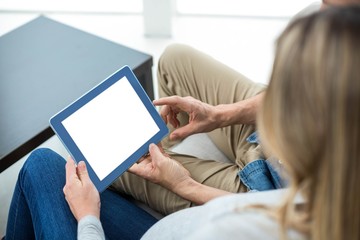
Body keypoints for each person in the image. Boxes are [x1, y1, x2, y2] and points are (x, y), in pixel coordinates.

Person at [5, 5, 360, 240]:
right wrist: (187, 181)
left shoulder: (238, 226)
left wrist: (87, 219)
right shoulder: (323, 205)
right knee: (175, 60)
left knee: (48, 166)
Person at [110, 0, 360, 216]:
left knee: (115, 162)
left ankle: (169, 164)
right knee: (174, 58)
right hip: (269, 137)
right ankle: (169, 149)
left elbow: (292, 220)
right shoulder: (329, 25)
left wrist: (186, 185)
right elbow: (289, 99)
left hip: (266, 191)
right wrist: (218, 115)